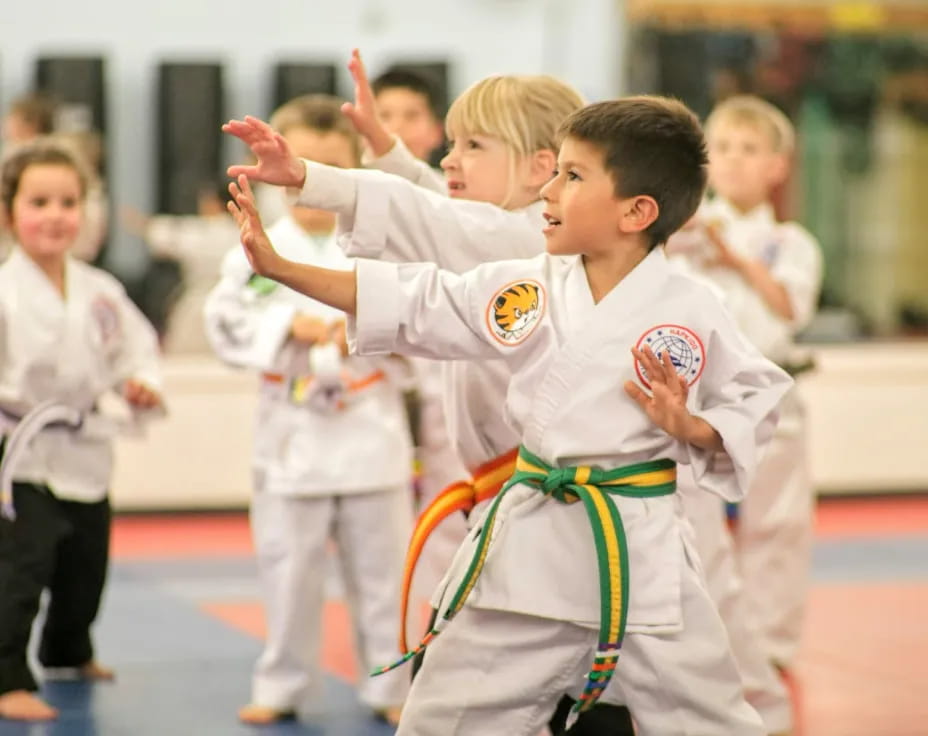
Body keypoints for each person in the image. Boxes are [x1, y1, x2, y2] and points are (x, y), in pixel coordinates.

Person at [225, 96, 794, 735]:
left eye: (573, 176)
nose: (548, 189)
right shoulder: (529, 286)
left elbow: (754, 396)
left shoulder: (693, 306)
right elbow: (417, 300)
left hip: (640, 555)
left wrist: (691, 426)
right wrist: (282, 268)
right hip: (531, 548)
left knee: (708, 717)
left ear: (637, 211)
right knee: (443, 714)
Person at [203, 94, 415, 727]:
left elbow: (422, 330)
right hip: (291, 438)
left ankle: (390, 686)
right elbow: (225, 323)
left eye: (327, 165)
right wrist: (288, 325)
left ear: (352, 170)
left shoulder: (382, 247)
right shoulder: (253, 247)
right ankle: (283, 682)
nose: (308, 180)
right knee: (288, 574)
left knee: (383, 579)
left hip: (369, 427)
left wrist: (356, 328)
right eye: (296, 162)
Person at [0, 139, 164, 721]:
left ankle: (69, 650)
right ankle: (7, 677)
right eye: (38, 201)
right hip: (18, 454)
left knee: (84, 564)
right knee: (20, 570)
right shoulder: (5, 292)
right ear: (8, 212)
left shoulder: (100, 290)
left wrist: (141, 384)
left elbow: (136, 350)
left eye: (68, 202)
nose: (55, 215)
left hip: (84, 445)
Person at [667, 94, 824, 672]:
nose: (734, 160)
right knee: (694, 525)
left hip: (771, 392)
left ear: (777, 166)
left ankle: (771, 649)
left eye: (749, 149)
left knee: (777, 524)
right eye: (724, 148)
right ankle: (707, 642)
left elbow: (789, 308)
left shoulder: (790, 242)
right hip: (698, 399)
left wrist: (737, 260)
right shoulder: (683, 228)